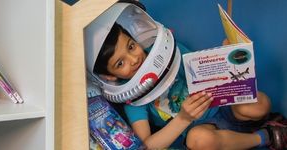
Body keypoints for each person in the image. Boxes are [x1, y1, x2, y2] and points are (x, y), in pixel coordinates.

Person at [92, 22, 286, 149]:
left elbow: (203, 70)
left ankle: (245, 132)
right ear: (109, 76)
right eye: (120, 63)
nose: (134, 59)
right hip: (202, 129)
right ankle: (266, 136)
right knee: (199, 140)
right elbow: (146, 146)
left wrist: (227, 59)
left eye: (131, 46)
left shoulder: (165, 51)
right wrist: (183, 119)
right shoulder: (132, 99)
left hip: (221, 105)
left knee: (261, 103)